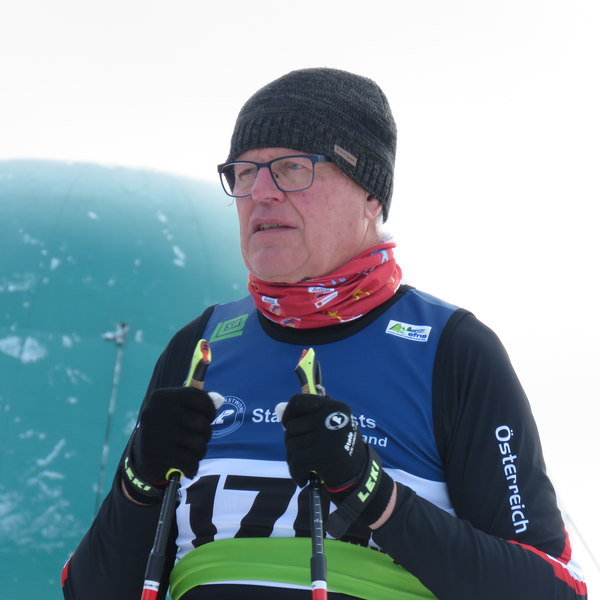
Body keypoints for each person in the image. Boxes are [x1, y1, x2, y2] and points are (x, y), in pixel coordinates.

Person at [61, 68, 587, 600]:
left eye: (292, 168)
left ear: (371, 194)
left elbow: (554, 590)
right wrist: (140, 482)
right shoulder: (200, 346)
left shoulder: (450, 349)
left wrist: (375, 496)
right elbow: (90, 591)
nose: (260, 193)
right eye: (244, 173)